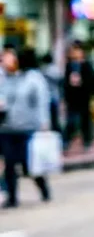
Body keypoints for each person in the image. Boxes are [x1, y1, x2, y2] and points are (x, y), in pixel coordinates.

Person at [1, 47, 52, 207]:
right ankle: (12, 197)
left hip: (28, 128)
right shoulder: (3, 78)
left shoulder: (33, 78)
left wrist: (44, 122)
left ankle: (43, 187)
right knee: (9, 163)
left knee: (28, 164)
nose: (4, 62)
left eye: (7, 58)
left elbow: (42, 101)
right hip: (6, 127)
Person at [62, 41, 94, 151]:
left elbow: (91, 82)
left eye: (77, 50)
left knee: (85, 121)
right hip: (72, 98)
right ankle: (66, 141)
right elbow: (65, 83)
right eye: (73, 50)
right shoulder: (69, 66)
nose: (74, 52)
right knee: (71, 121)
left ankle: (87, 141)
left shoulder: (86, 65)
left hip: (83, 98)